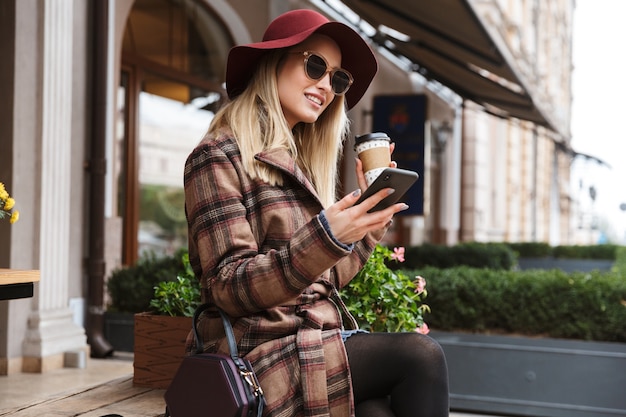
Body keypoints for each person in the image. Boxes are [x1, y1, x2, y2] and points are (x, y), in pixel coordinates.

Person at [184, 8, 449, 417]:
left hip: (311, 345)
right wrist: (326, 237)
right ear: (272, 64)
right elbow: (228, 286)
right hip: (256, 355)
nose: (326, 85)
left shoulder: (299, 164)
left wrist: (366, 225)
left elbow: (322, 279)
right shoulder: (217, 156)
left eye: (337, 78)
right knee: (420, 355)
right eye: (315, 66)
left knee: (377, 411)